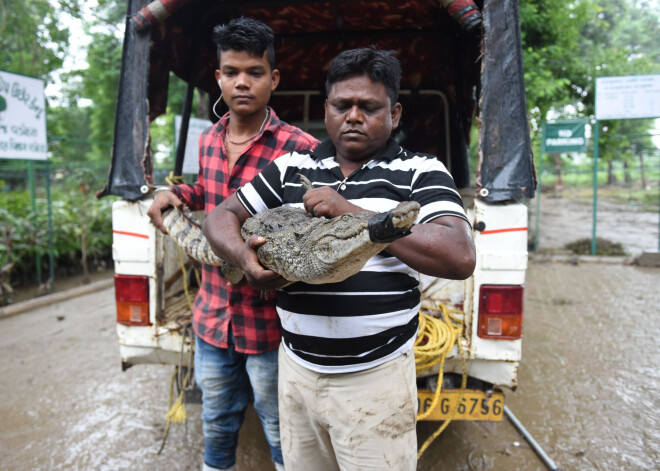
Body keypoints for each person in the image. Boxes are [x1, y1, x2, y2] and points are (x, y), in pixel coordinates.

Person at [201, 47, 476, 470]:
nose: (353, 116)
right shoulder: (291, 166)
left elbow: (459, 255)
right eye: (341, 105)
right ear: (326, 108)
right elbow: (221, 216)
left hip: (376, 379)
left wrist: (351, 212)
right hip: (295, 372)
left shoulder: (422, 171)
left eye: (368, 107)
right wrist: (242, 255)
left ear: (395, 113)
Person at [147, 17, 318, 471]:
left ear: (273, 78)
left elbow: (315, 223)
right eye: (232, 72)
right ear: (218, 76)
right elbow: (207, 194)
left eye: (255, 72)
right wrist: (176, 196)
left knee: (281, 425)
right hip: (211, 318)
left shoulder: (301, 149)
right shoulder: (207, 138)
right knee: (218, 422)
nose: (243, 82)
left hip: (269, 326)